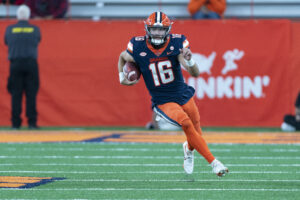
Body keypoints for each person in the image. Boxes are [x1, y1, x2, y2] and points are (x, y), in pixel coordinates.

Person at [118, 11, 229, 176]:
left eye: (161, 29)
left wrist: (190, 60)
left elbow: (196, 73)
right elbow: (122, 57)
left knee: (196, 128)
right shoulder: (137, 45)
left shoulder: (177, 43)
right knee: (185, 123)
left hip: (182, 92)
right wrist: (122, 77)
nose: (157, 33)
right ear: (147, 29)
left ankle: (188, 150)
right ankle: (214, 163)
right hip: (163, 99)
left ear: (167, 30)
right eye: (154, 29)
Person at [5, 5, 41, 129]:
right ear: (29, 15)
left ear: (17, 15)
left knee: (16, 94)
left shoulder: (10, 29)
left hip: (15, 64)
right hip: (31, 64)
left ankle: (15, 123)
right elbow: (38, 40)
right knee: (31, 94)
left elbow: (6, 41)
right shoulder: (35, 29)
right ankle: (32, 122)